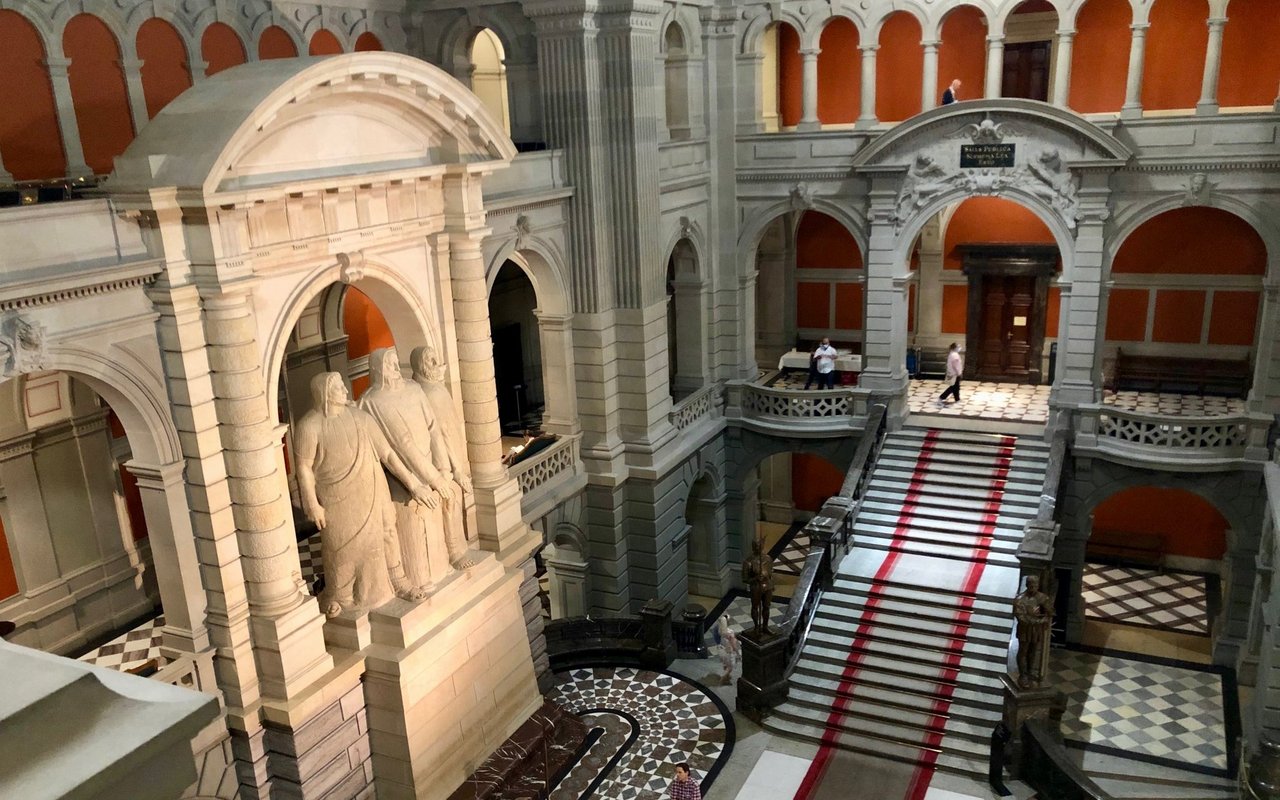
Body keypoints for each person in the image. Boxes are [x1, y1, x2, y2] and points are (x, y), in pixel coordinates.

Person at [716, 614, 740, 685]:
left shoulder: (720, 631)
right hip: (729, 652)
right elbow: (733, 644)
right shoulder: (730, 632)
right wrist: (738, 653)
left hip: (721, 650)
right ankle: (722, 680)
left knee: (725, 664)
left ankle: (726, 677)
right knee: (730, 668)